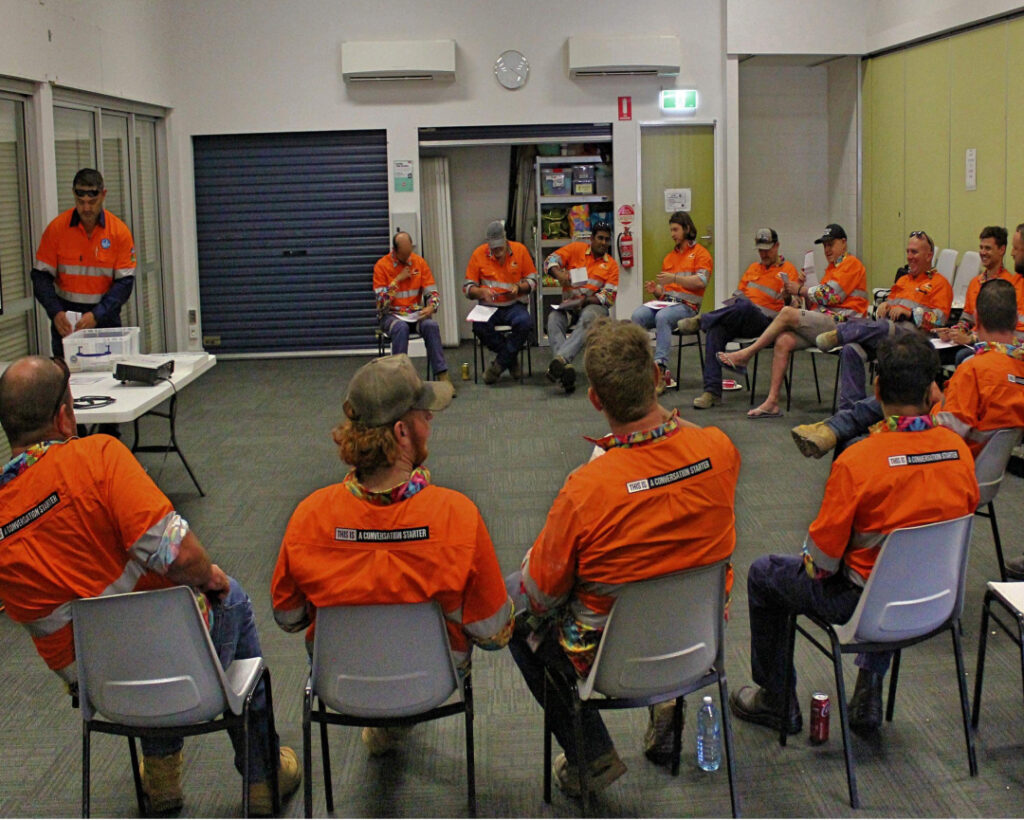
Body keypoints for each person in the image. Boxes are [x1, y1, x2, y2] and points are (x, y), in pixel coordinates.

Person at [0, 356, 299, 816]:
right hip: (173, 664)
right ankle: (263, 778)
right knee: (230, 598)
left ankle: (160, 780)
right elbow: (182, 556)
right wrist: (211, 578)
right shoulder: (96, 458)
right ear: (64, 416)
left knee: (135, 632)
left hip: (97, 686)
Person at [507, 319, 739, 798]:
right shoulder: (719, 449)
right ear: (656, 377)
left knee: (513, 604)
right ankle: (666, 700)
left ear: (596, 400)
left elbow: (541, 595)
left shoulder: (586, 490)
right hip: (700, 638)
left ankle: (591, 757)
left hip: (611, 658)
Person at [730, 333, 978, 739]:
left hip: (865, 606)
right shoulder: (959, 451)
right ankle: (868, 690)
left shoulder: (859, 459)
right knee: (898, 563)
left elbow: (821, 565)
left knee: (763, 574)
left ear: (876, 389)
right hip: (937, 599)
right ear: (933, 392)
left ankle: (777, 700)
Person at [271, 354, 514, 754]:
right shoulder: (458, 516)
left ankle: (383, 725)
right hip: (433, 680)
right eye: (423, 413)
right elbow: (493, 633)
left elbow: (288, 618)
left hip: (340, 680)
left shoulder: (308, 517)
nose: (430, 419)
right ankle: (395, 721)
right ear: (402, 431)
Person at [793, 275, 1024, 460]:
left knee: (853, 443)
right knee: (898, 394)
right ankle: (833, 428)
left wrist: (917, 412)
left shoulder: (973, 370)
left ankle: (834, 430)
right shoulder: (1017, 368)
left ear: (978, 319)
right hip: (982, 462)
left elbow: (951, 428)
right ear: (1015, 319)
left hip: (945, 453)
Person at [715, 223, 868, 418]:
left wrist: (801, 289)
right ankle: (772, 402)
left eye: (831, 244)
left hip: (845, 326)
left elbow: (830, 296)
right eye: (825, 245)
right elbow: (818, 303)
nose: (827, 249)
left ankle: (747, 354)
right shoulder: (831, 269)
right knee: (783, 340)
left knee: (787, 313)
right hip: (826, 323)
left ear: (844, 243)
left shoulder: (851, 264)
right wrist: (803, 288)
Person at [814, 230, 951, 409]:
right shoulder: (903, 280)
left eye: (915, 252)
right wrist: (884, 306)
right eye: (908, 251)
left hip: (914, 340)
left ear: (929, 255)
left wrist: (910, 313)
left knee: (884, 327)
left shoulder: (940, 284)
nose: (909, 257)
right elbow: (889, 307)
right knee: (850, 350)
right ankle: (849, 411)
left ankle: (840, 334)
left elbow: (940, 320)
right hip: (887, 335)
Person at [678, 228, 802, 409]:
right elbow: (737, 296)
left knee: (745, 307)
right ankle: (712, 392)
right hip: (744, 317)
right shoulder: (752, 268)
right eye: (760, 250)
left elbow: (795, 306)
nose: (763, 254)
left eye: (767, 249)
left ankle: (702, 320)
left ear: (777, 246)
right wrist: (735, 305)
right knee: (717, 329)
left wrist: (787, 297)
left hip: (768, 324)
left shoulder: (788, 270)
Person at [31, 169, 136, 360]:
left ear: (103, 195)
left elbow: (125, 283)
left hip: (105, 321)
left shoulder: (119, 232)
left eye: (92, 202)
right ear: (74, 194)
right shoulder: (57, 229)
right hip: (67, 324)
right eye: (80, 202)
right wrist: (55, 312)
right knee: (66, 373)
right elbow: (40, 277)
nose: (86, 208)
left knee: (109, 373)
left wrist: (97, 315)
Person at [630, 211, 713, 392]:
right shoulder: (669, 257)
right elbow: (666, 294)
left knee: (663, 317)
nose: (672, 234)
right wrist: (656, 291)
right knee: (637, 316)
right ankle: (640, 368)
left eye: (675, 230)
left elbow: (701, 281)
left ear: (687, 229)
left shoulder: (701, 254)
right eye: (671, 230)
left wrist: (674, 278)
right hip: (667, 304)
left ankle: (659, 370)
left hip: (687, 307)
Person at [373, 231, 455, 393]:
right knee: (400, 328)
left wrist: (432, 306)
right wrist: (397, 280)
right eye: (404, 256)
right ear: (395, 251)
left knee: (431, 326)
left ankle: (442, 376)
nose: (408, 259)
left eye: (409, 253)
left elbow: (433, 293)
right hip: (391, 315)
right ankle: (399, 381)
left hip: (414, 314)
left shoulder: (419, 263)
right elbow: (381, 304)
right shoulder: (381, 266)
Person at [543, 221, 619, 394]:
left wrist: (584, 301)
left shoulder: (612, 265)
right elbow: (549, 261)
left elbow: (608, 298)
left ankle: (561, 359)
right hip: (569, 307)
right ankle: (565, 370)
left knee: (588, 317)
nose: (603, 243)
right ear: (591, 239)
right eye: (600, 238)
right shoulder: (576, 249)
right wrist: (558, 274)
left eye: (607, 239)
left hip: (594, 308)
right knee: (553, 318)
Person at [463, 220, 538, 385]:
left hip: (514, 304)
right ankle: (510, 359)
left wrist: (519, 288)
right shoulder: (478, 254)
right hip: (489, 307)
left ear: (506, 240)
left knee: (525, 323)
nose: (497, 251)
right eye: (494, 248)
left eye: (500, 247)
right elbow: (467, 288)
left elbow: (533, 282)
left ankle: (498, 365)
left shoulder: (520, 250)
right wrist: (481, 292)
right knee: (479, 326)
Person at [937, 225, 1024, 346]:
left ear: (1001, 250)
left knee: (960, 355)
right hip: (974, 342)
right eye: (981, 248)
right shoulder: (975, 283)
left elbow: (1000, 333)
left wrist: (971, 339)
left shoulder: (1008, 286)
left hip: (989, 345)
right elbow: (967, 320)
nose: (983, 252)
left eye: (988, 248)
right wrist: (955, 332)